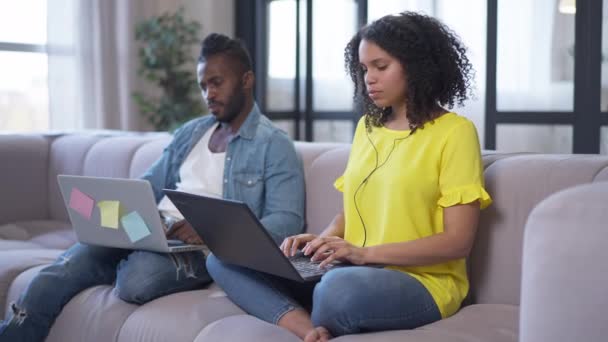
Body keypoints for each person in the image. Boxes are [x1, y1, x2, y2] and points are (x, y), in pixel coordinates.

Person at [206, 12, 492, 342]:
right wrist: (321, 241)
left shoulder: (455, 133)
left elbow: (457, 242)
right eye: (364, 68)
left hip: (422, 282)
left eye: (380, 67)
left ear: (416, 65)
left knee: (337, 291)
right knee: (224, 257)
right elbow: (355, 210)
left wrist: (363, 254)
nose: (369, 78)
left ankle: (307, 306)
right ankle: (307, 328)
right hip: (351, 269)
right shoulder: (366, 129)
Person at [0, 33, 305, 342]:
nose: (208, 94)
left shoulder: (274, 145)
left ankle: (114, 259)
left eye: (217, 83)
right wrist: (126, 211)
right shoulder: (191, 133)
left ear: (246, 80)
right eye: (203, 86)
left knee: (137, 281)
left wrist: (213, 231)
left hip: (203, 249)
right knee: (56, 274)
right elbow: (149, 186)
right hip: (152, 230)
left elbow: (286, 221)